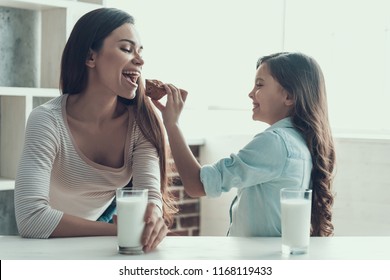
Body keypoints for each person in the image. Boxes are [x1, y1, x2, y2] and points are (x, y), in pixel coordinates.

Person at [14, 7, 177, 252]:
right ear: (91, 57)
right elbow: (31, 219)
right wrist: (121, 230)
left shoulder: (142, 121)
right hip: (53, 234)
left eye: (140, 52)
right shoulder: (46, 121)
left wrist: (152, 217)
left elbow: (149, 198)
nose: (140, 60)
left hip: (103, 226)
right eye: (126, 48)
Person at [153, 52, 336, 237]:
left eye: (259, 84)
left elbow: (197, 185)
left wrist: (171, 124)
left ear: (288, 96)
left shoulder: (276, 142)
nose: (250, 93)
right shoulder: (299, 141)